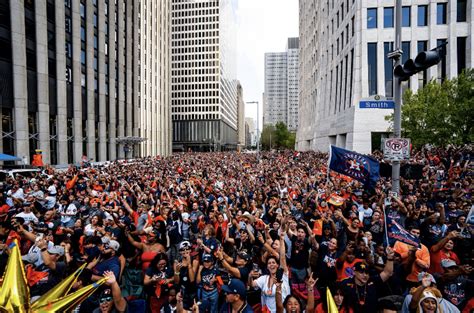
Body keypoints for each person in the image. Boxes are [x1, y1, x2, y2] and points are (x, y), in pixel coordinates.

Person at [341, 247, 395, 313]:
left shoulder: (372, 281)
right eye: (361, 272)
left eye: (367, 273)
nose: (365, 275)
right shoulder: (345, 283)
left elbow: (387, 273)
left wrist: (390, 258)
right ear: (354, 272)